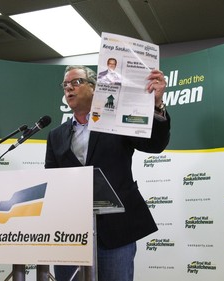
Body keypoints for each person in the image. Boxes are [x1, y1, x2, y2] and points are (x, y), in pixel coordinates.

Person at [45, 65, 170, 281]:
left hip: (116, 232)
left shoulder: (117, 121)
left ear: (94, 88)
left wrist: (157, 105)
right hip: (71, 235)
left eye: (76, 82)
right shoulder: (55, 135)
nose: (69, 88)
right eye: (65, 85)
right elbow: (52, 179)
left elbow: (155, 145)